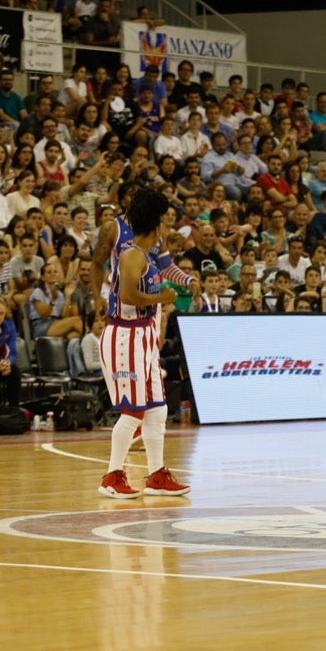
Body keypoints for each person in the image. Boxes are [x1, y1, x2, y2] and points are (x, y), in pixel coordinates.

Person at [97, 189, 194, 499]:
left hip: (143, 335)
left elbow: (163, 274)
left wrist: (183, 284)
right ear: (157, 224)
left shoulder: (146, 252)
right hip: (125, 335)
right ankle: (112, 476)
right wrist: (161, 298)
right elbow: (127, 296)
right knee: (132, 411)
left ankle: (156, 475)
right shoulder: (131, 254)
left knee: (157, 409)